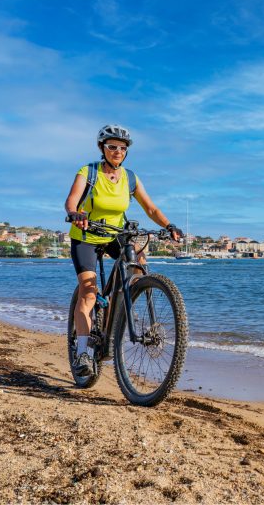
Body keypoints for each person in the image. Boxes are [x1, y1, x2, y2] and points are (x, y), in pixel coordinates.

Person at [64, 124, 182, 378]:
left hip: (115, 234)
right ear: (102, 148)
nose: (118, 151)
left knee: (138, 264)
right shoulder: (89, 171)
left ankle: (122, 307)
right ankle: (83, 351)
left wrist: (169, 225)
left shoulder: (130, 177)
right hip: (86, 235)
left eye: (122, 148)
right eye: (112, 147)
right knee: (88, 290)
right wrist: (75, 214)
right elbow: (72, 199)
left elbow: (151, 209)